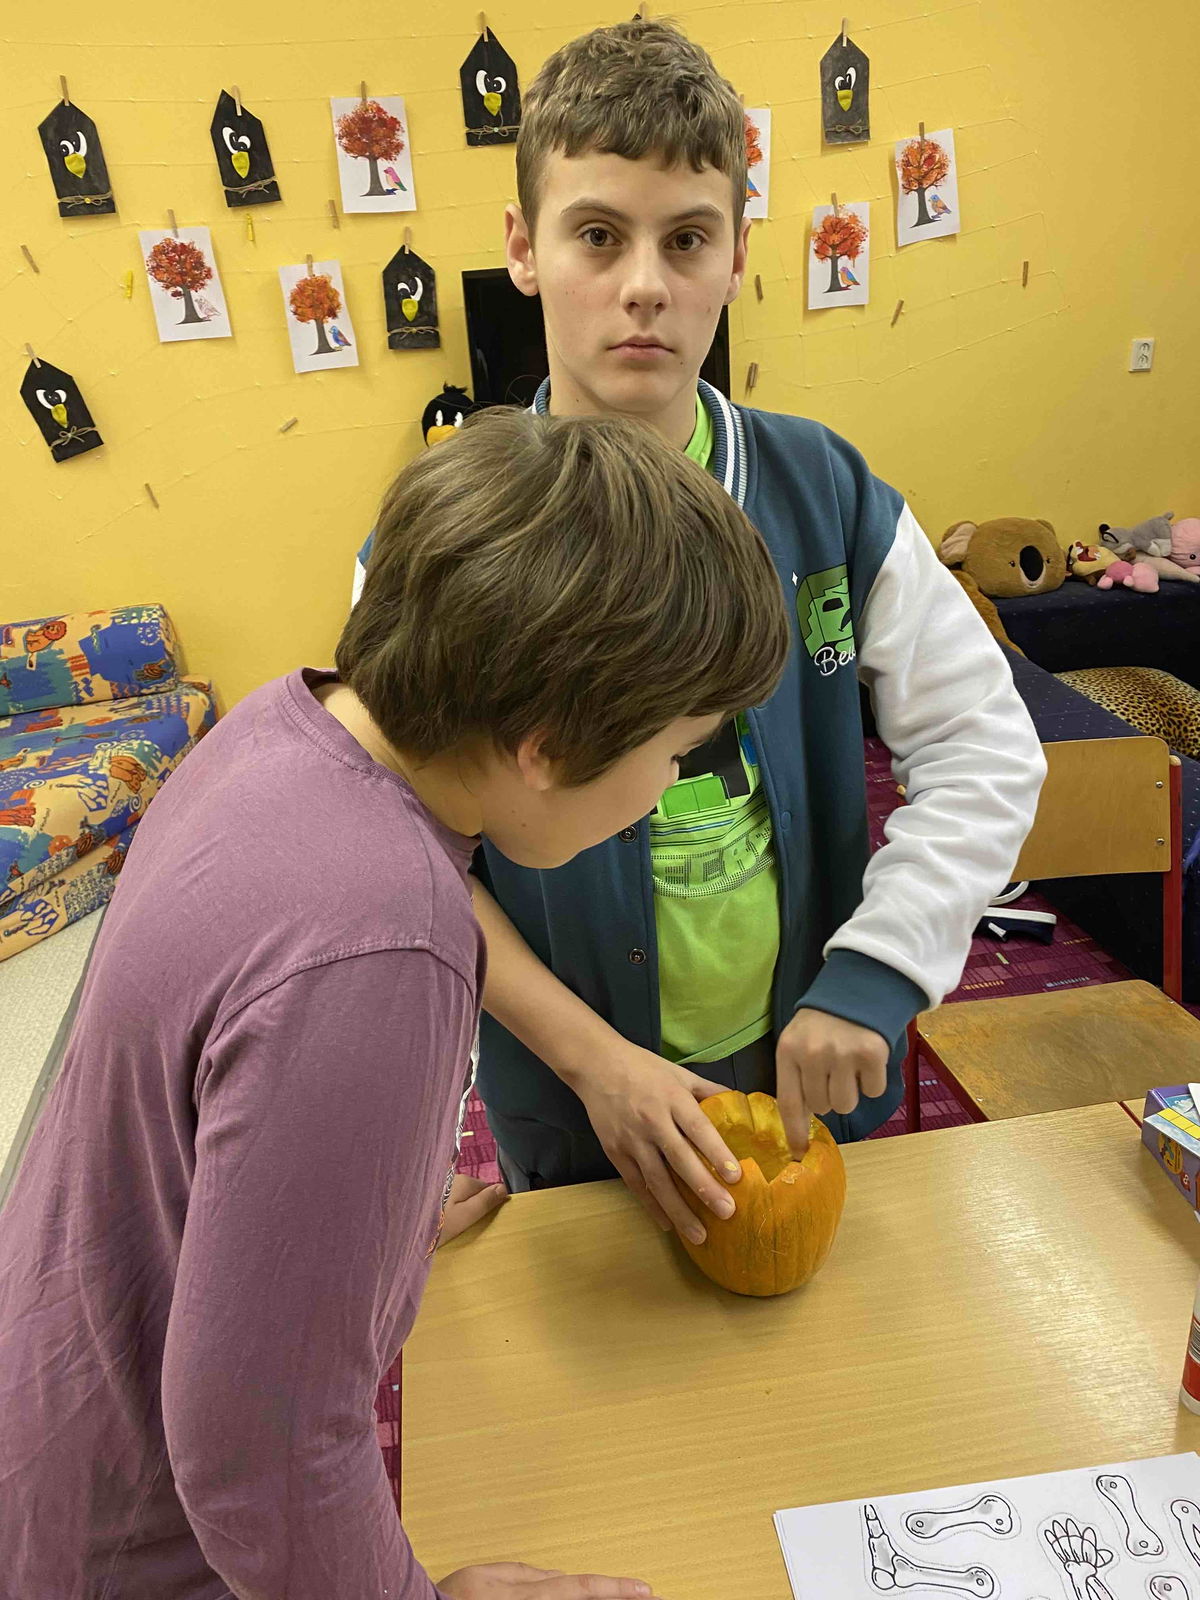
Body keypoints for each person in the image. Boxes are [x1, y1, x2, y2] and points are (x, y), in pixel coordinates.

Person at [0, 407, 789, 1600]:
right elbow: (260, 1458)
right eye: (680, 750)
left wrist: (345, 1210)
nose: (673, 781)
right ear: (545, 744)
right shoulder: (386, 941)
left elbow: (200, 1092)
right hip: (128, 1548)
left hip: (55, 1401)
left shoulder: (286, 719)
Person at [353, 20, 1045, 1247]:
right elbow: (398, 848)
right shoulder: (439, 540)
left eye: (686, 239)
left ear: (736, 256)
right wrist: (592, 1060)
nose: (644, 286)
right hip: (576, 1103)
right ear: (522, 246)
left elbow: (986, 746)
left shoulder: (828, 495)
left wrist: (880, 967)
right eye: (597, 235)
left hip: (807, 1076)